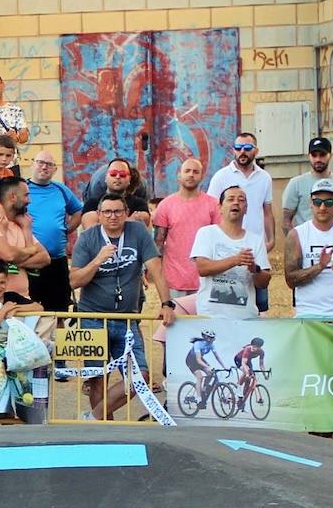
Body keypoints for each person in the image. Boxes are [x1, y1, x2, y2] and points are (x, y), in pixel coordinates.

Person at [70, 193, 176, 420]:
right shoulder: (88, 238)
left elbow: (156, 269)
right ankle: (104, 432)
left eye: (118, 211)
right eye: (107, 212)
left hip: (127, 318)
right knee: (98, 377)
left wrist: (167, 303)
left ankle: (92, 418)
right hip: (92, 318)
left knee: (141, 376)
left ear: (126, 213)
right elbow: (75, 280)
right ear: (98, 215)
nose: (113, 216)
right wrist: (98, 260)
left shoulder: (137, 232)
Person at [284, 178, 333, 319]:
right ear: (310, 203)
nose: (322, 207)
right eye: (317, 202)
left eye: (328, 202)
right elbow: (290, 280)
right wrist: (320, 266)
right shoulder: (296, 234)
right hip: (309, 312)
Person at [190, 185, 271, 319]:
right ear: (220, 207)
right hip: (211, 316)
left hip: (245, 317)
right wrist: (235, 260)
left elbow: (264, 282)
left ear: (246, 209)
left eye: (241, 200)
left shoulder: (255, 240)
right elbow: (202, 268)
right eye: (230, 199)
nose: (235, 203)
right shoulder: (206, 233)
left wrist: (254, 269)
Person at [0, 176, 50, 301]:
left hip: (22, 300)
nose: (29, 200)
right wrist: (29, 251)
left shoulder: (22, 225)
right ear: (13, 197)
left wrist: (16, 264)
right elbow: (9, 255)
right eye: (26, 195)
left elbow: (44, 258)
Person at [21, 150, 82, 311]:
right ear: (32, 164)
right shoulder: (21, 188)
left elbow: (78, 211)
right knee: (29, 310)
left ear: (55, 170)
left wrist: (66, 229)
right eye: (40, 162)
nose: (44, 167)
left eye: (49, 164)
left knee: (58, 310)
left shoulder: (61, 190)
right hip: (29, 261)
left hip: (57, 261)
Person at [153, 159, 220, 299]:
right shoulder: (165, 205)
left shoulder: (213, 205)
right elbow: (158, 242)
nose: (191, 175)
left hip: (206, 278)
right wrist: (156, 273)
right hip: (174, 280)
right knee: (176, 320)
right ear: (179, 175)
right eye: (187, 171)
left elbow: (218, 240)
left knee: (203, 321)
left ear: (202, 176)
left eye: (196, 172)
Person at [282, 137, 333, 234]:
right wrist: (294, 242)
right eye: (314, 155)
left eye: (322, 155)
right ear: (309, 156)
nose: (318, 159)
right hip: (305, 240)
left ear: (330, 155)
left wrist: (328, 217)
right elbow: (286, 221)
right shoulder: (295, 183)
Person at [0, 257, 42, 337]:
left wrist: (16, 308)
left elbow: (38, 307)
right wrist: (4, 310)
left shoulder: (12, 296)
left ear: (7, 280)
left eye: (2, 282)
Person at [80, 158, 150, 229]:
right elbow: (91, 230)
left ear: (129, 179)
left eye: (122, 175)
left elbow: (143, 224)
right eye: (113, 174)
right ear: (105, 177)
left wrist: (104, 222)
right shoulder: (92, 203)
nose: (118, 177)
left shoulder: (139, 204)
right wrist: (128, 221)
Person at [184, 329, 226, 411]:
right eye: (208, 337)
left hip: (200, 360)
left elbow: (217, 357)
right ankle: (199, 398)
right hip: (191, 360)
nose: (210, 339)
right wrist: (207, 366)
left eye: (212, 338)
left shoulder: (212, 345)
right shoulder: (198, 344)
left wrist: (224, 367)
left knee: (211, 373)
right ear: (204, 336)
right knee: (199, 377)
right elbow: (198, 359)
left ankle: (203, 390)